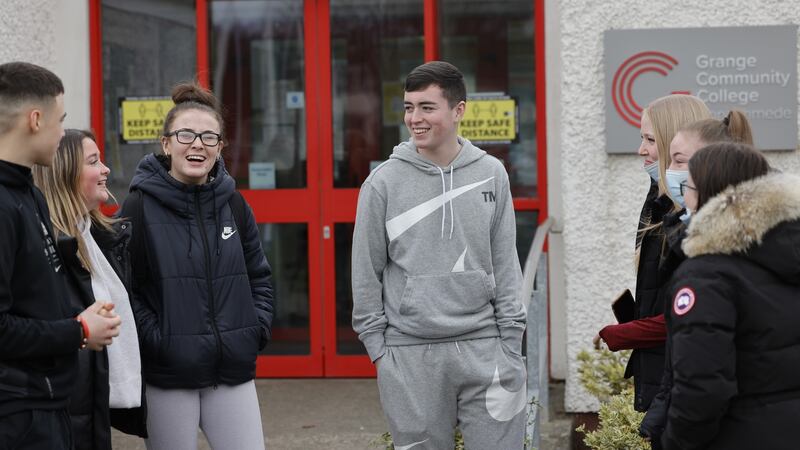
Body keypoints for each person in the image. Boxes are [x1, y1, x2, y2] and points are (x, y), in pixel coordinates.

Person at [351, 61, 527, 449]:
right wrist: (379, 352)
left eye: (427, 107)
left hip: (488, 348)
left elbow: (505, 261)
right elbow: (366, 272)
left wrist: (511, 342)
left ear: (458, 110)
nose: (415, 118)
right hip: (410, 355)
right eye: (409, 107)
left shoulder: (492, 172)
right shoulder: (383, 183)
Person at [119, 82, 274, 450]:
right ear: (166, 143)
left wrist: (255, 329)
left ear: (220, 148)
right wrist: (161, 342)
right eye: (186, 134)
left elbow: (259, 277)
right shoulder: (138, 208)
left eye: (209, 137)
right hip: (169, 375)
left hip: (232, 371)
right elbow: (126, 291)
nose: (197, 145)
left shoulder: (234, 204)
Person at [0, 61, 120, 449]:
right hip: (17, 417)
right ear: (35, 119)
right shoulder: (3, 206)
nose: (62, 133)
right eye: (60, 120)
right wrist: (80, 331)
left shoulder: (29, 194)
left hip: (47, 406)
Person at [661, 143, 799, 449]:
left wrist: (675, 442)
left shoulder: (705, 277)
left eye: (688, 186)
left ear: (710, 195)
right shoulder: (787, 252)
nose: (684, 196)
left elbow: (701, 389)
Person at [637, 110, 755, 444]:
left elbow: (702, 379)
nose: (671, 173)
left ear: (710, 169)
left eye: (678, 161)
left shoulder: (713, 258)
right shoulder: (686, 232)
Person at [593, 94, 710, 415]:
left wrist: (625, 333)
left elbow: (693, 314)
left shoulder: (698, 222)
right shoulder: (661, 206)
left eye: (649, 139)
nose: (641, 150)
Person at [32, 129, 147, 449]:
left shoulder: (99, 237)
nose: (106, 169)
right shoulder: (47, 246)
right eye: (94, 161)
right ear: (65, 174)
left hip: (94, 405)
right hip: (66, 409)